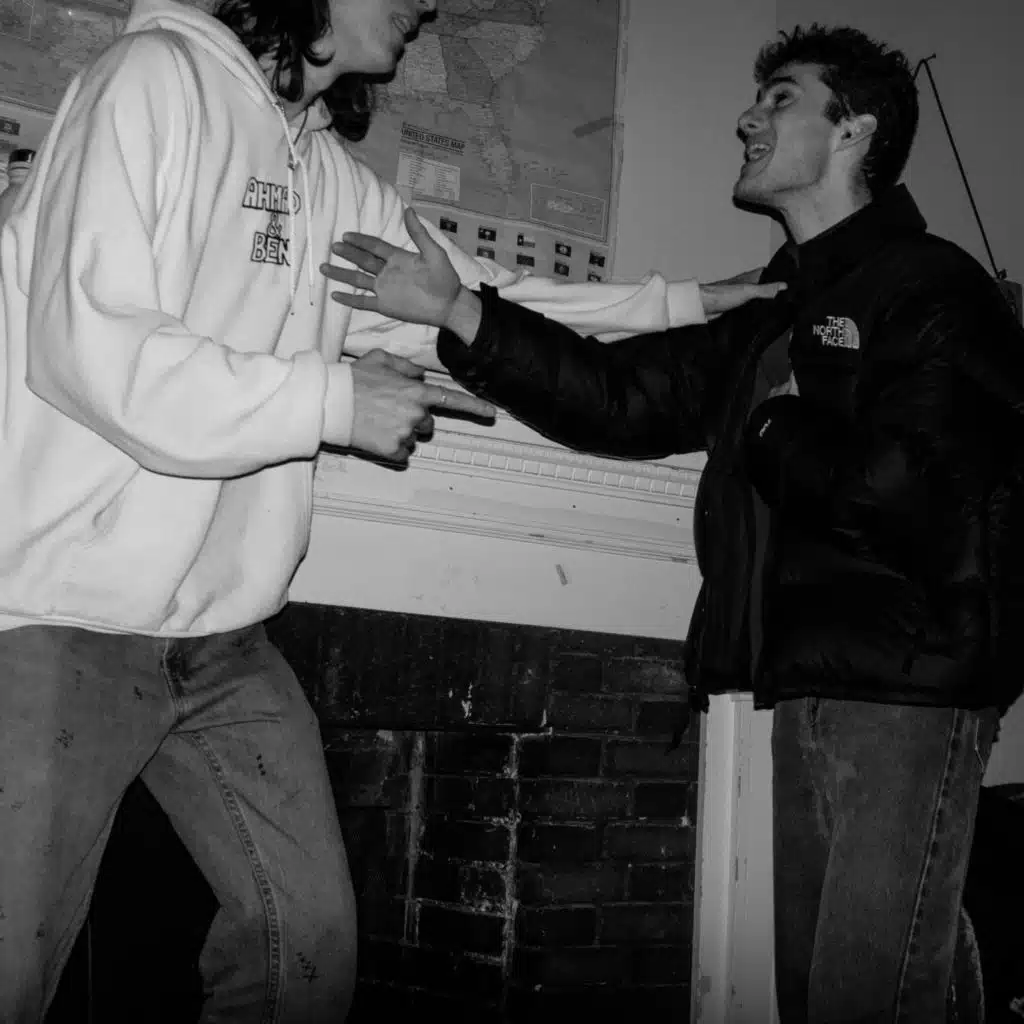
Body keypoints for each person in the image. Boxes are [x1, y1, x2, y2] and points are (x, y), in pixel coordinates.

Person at [0, 0, 782, 1019]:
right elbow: (90, 347)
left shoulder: (328, 178)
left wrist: (682, 304)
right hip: (60, 614)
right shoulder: (152, 79)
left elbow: (476, 294)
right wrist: (332, 401)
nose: (428, 4)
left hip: (222, 637)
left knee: (308, 951)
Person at [322, 23, 1024, 1022]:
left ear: (854, 131)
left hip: (912, 686)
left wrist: (771, 428)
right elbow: (620, 397)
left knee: (867, 993)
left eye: (780, 98)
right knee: (829, 990)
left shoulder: (932, 286)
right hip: (813, 680)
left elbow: (908, 489)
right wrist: (458, 312)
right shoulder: (783, 308)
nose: (747, 116)